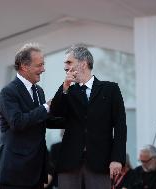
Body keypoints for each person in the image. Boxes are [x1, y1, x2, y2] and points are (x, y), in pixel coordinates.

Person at [50, 44, 127, 189]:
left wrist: (117, 159)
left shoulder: (110, 89)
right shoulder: (68, 91)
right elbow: (55, 113)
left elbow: (120, 126)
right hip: (69, 163)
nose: (65, 67)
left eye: (69, 62)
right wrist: (64, 87)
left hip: (101, 162)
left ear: (83, 63)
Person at [0, 43, 51, 189]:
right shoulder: (8, 92)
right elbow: (17, 122)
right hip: (15, 173)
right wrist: (46, 107)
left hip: (36, 171)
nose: (43, 69)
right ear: (25, 66)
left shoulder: (39, 91)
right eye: (39, 65)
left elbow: (41, 119)